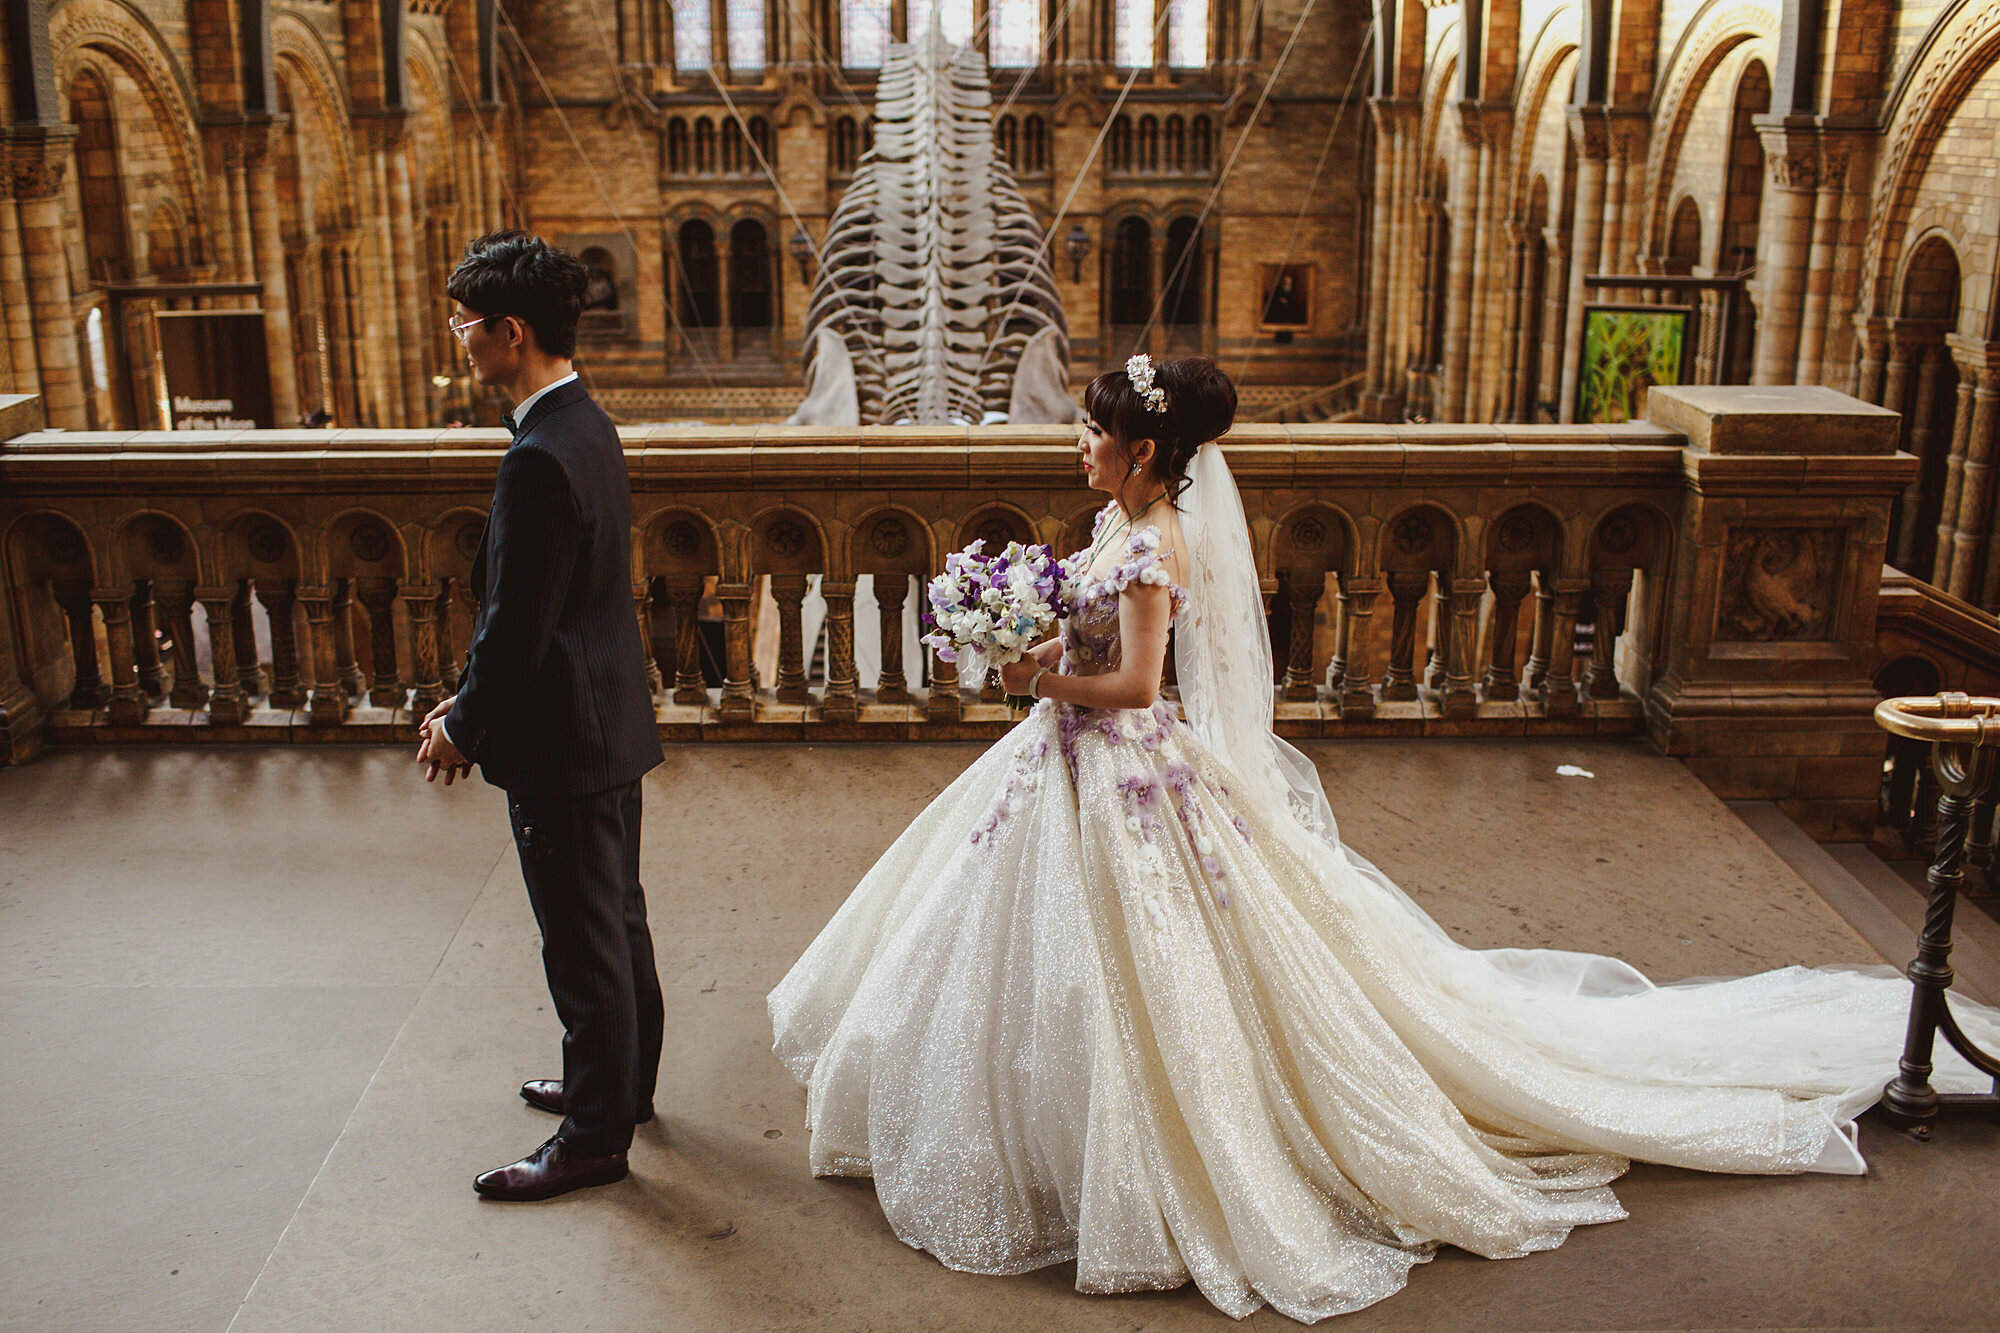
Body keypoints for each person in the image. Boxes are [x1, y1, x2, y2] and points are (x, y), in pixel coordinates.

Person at [768, 353, 2000, 1321]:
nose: (1077, 442)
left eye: (1093, 429)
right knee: (1023, 959)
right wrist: (1036, 650)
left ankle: (1160, 1166)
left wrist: (1041, 678)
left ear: (1141, 451)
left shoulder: (1149, 545)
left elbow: (1140, 688)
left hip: (1122, 766)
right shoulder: (1115, 527)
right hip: (1070, 775)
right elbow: (1095, 653)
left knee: (1143, 974)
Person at [417, 231, 665, 1202]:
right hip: (605, 722)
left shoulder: (536, 454)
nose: (458, 339)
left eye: (466, 325)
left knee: (581, 937)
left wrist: (462, 726)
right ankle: (621, 1085)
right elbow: (550, 609)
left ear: (511, 333)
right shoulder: (583, 422)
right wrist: (470, 700)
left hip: (566, 739)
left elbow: (517, 627)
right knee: (618, 922)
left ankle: (596, 1136)